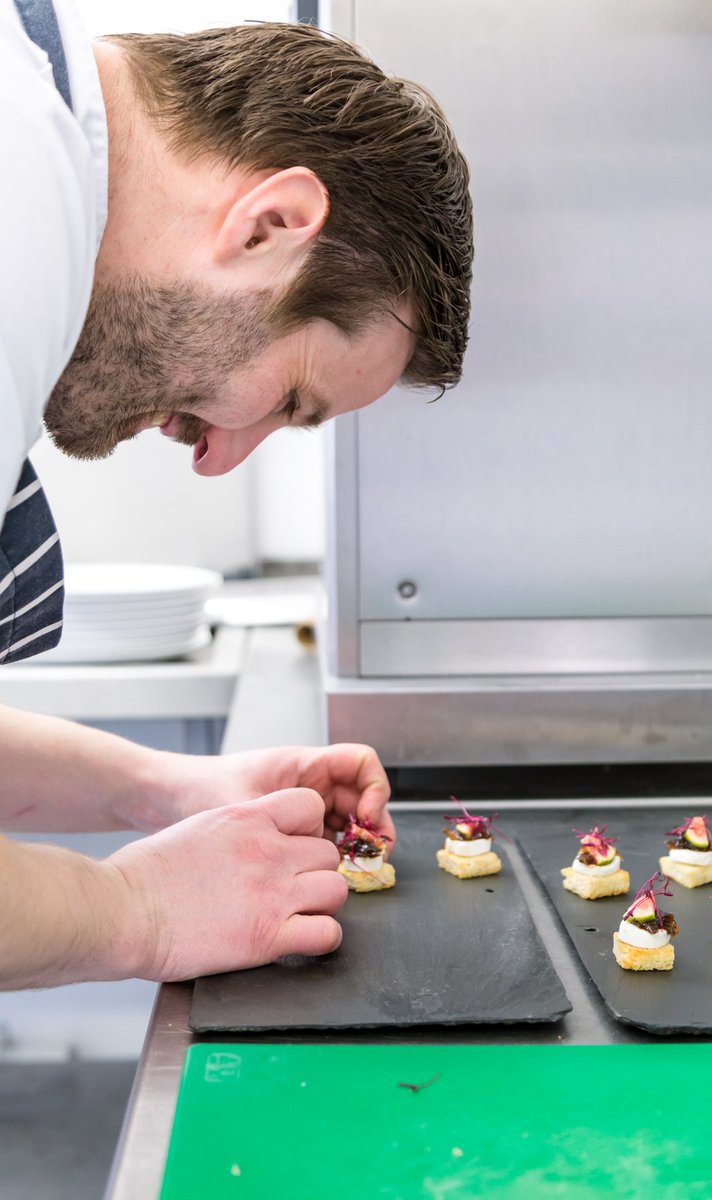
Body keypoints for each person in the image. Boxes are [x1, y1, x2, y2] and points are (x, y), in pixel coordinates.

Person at [0, 1, 473, 989]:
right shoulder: (16, 212)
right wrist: (136, 911)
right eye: (290, 399)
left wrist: (164, 789)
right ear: (270, 225)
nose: (218, 460)